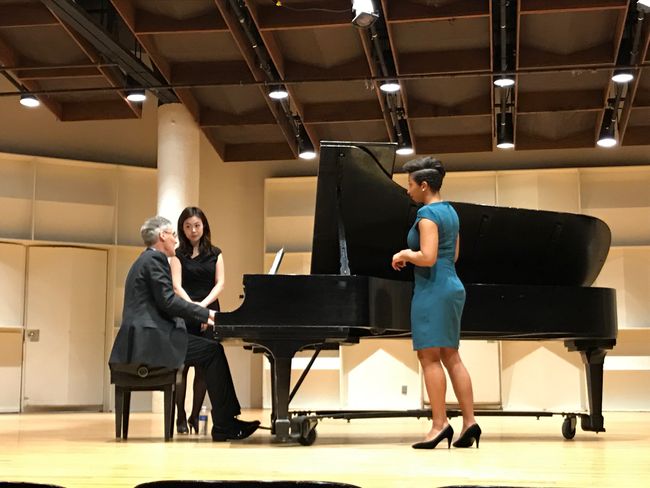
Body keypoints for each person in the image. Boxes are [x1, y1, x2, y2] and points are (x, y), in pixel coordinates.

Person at [108, 216, 259, 442]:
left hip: (147, 339)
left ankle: (226, 422)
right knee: (213, 352)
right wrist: (208, 314)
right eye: (173, 234)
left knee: (210, 350)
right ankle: (225, 425)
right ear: (162, 236)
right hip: (151, 343)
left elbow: (163, 302)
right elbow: (169, 301)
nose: (177, 240)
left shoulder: (145, 260)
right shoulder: (155, 260)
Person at [391, 157, 481, 449]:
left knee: (429, 357)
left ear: (424, 185)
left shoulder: (427, 215)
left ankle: (439, 424)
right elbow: (452, 256)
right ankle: (470, 422)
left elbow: (427, 257)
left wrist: (405, 253)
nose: (408, 191)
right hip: (452, 285)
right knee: (451, 356)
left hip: (432, 289)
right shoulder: (451, 213)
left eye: (410, 184)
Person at [170, 207, 224, 434]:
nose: (193, 230)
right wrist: (193, 308)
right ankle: (180, 416)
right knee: (180, 368)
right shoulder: (177, 254)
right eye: (188, 226)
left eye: (197, 225)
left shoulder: (215, 253)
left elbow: (220, 283)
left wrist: (203, 308)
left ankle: (194, 415)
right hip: (184, 313)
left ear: (204, 226)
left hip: (209, 314)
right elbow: (176, 285)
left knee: (204, 369)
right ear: (182, 228)